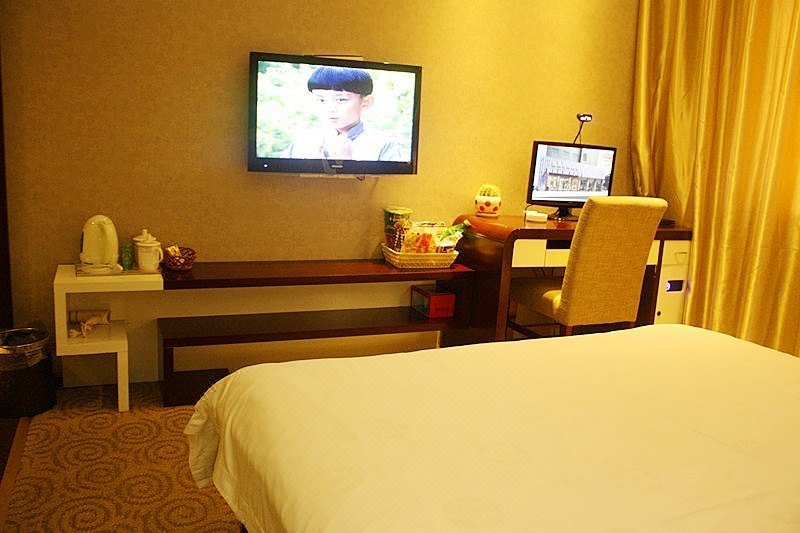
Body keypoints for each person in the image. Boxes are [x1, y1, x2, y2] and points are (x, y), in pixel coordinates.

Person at [284, 66, 402, 161]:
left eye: (341, 99)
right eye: (321, 100)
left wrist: (348, 165)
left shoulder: (383, 144)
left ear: (366, 102)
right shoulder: (302, 142)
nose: (330, 109)